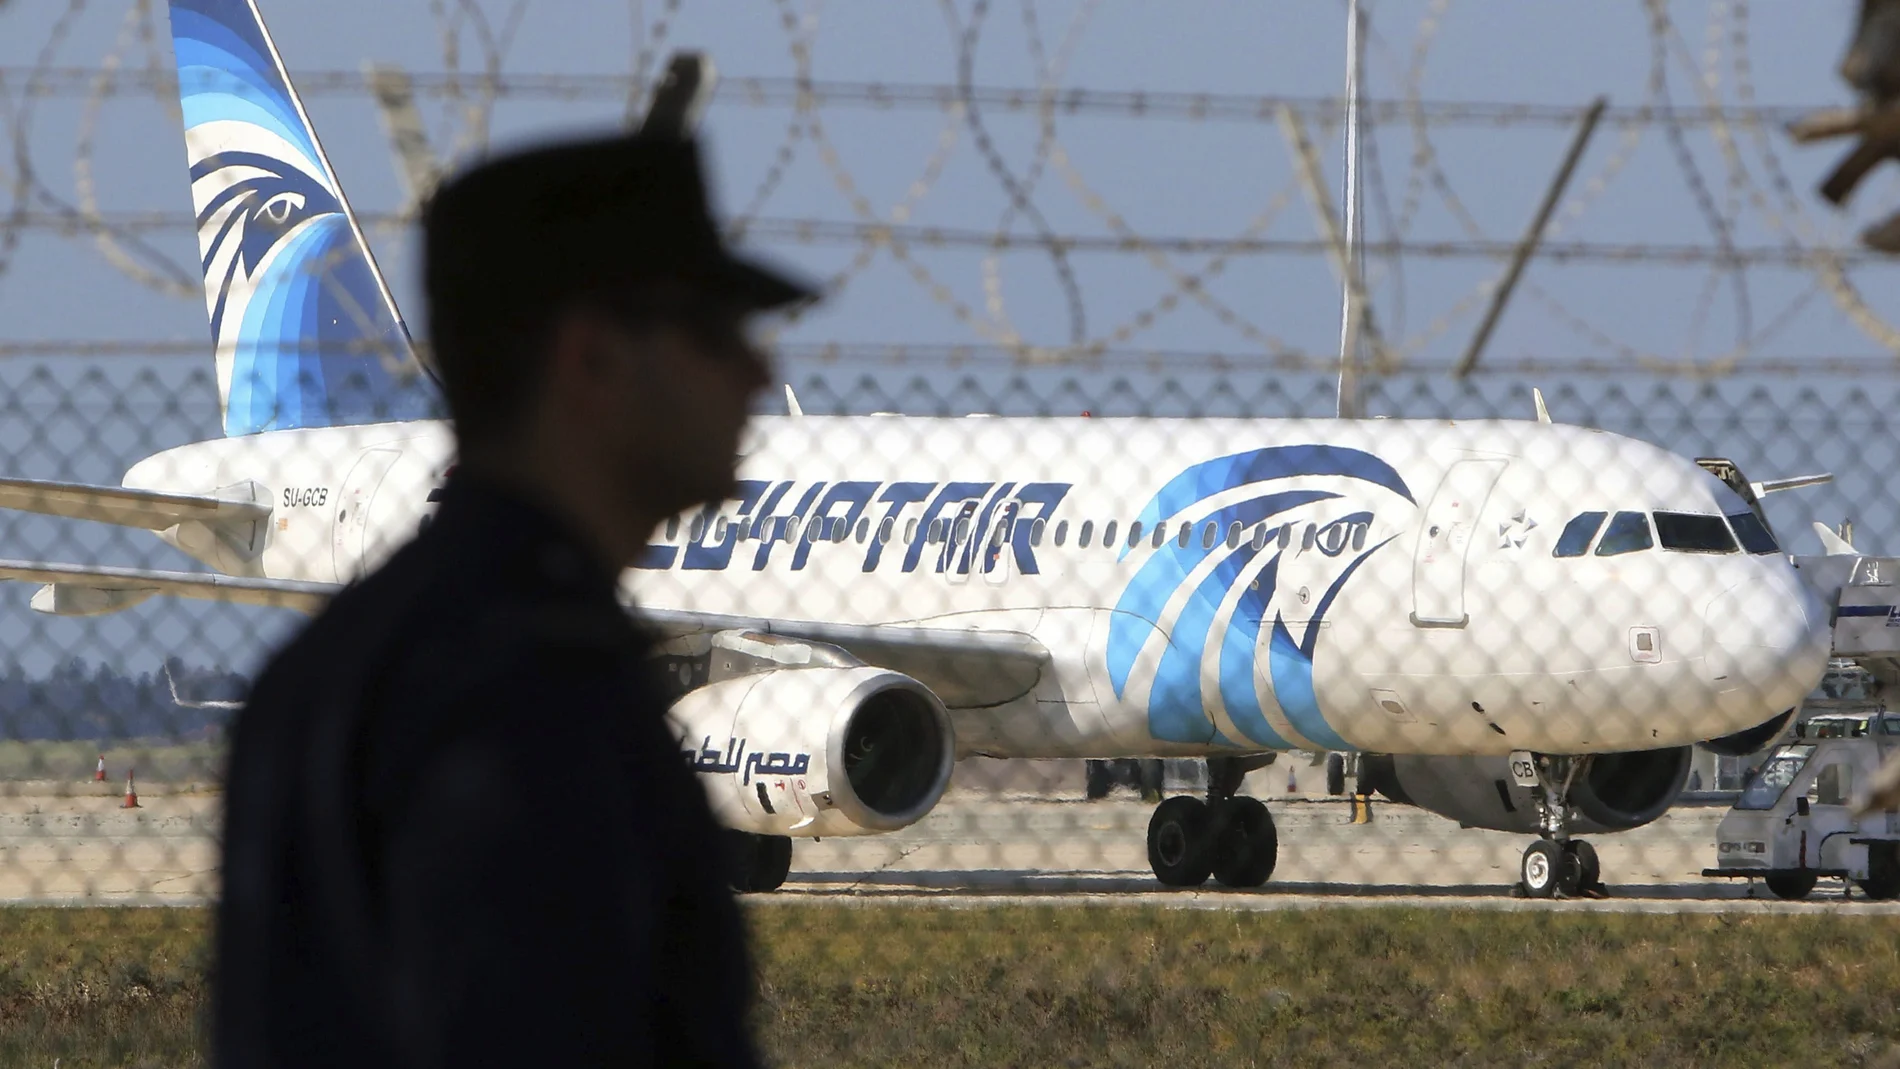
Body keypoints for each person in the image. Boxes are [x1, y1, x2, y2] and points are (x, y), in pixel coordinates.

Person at [213, 130, 815, 1067]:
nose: (757, 373)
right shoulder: (520, 697)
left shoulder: (388, 654)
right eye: (715, 330)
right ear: (592, 361)